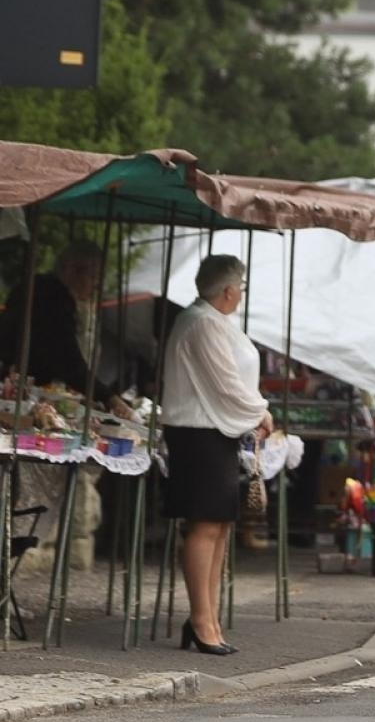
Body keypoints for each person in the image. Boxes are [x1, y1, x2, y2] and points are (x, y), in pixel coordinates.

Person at [161, 255, 273, 655]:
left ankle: (207, 616)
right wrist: (259, 410)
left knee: (219, 525)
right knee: (205, 525)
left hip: (214, 431)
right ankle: (201, 618)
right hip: (198, 432)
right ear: (229, 290)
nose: (240, 294)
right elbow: (225, 382)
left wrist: (253, 411)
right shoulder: (201, 323)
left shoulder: (210, 320)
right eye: (240, 287)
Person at [0, 238, 135, 417]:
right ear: (71, 269)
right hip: (18, 392)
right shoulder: (55, 300)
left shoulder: (33, 286)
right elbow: (69, 360)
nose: (97, 285)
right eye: (94, 276)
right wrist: (108, 396)